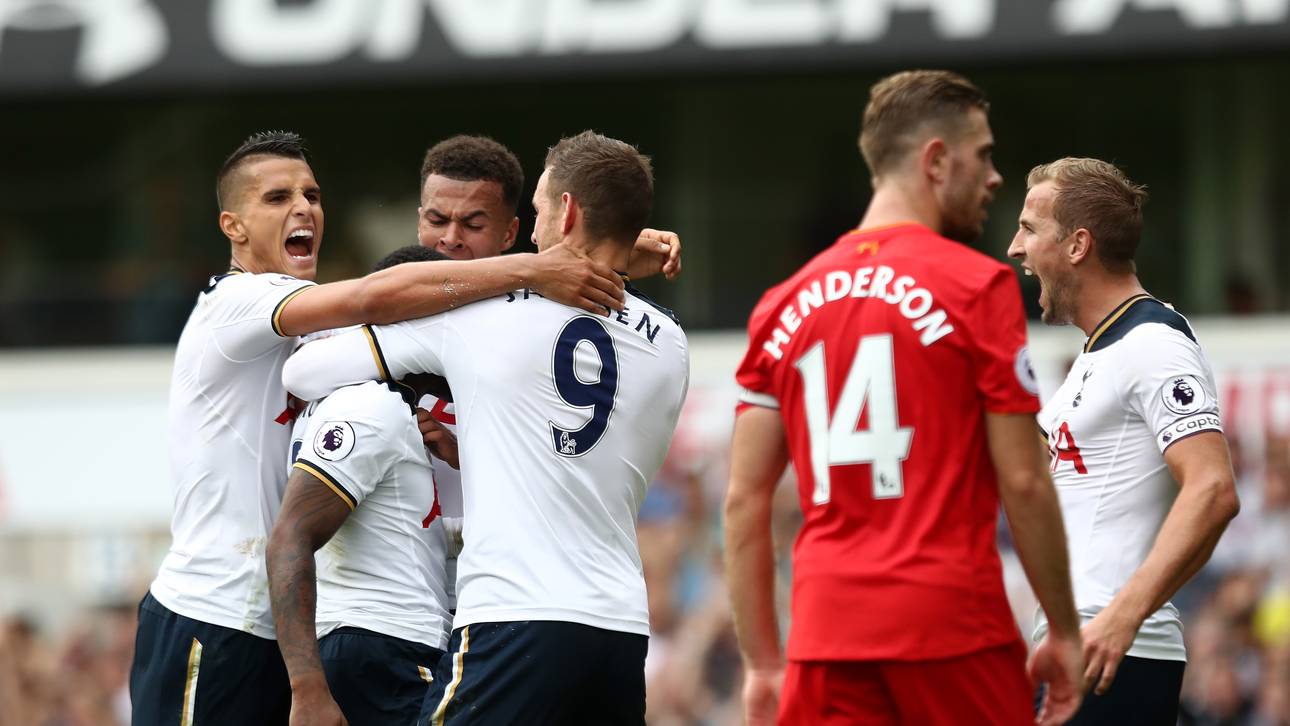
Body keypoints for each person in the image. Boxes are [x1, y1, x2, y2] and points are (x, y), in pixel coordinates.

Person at [128, 130, 634, 726]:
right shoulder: (241, 302)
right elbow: (380, 294)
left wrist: (620, 244)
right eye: (276, 197)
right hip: (213, 612)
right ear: (232, 226)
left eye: (312, 194)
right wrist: (534, 267)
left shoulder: (325, 327)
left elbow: (397, 310)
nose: (303, 208)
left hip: (286, 629)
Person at [282, 131, 689, 725]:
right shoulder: (672, 345)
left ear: (567, 212)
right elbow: (570, 453)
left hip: (514, 617)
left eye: (542, 208)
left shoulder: (480, 317)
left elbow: (306, 368)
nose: (533, 229)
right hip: (620, 627)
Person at [723, 69, 1085, 726]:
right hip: (952, 630)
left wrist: (763, 664)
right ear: (937, 161)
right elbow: (1025, 482)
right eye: (984, 154)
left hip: (824, 640)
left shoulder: (780, 307)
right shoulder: (978, 286)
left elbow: (744, 502)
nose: (995, 176)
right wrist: (1063, 631)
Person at [1008, 157, 1240, 724]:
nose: (1015, 248)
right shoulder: (1100, 353)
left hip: (1115, 654)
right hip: (1084, 646)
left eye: (1029, 229)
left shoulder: (1153, 342)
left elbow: (1213, 491)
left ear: (1077, 245)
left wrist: (1122, 617)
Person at [267, 245, 457, 726]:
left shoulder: (375, 403)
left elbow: (395, 531)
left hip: (378, 644)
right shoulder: (371, 407)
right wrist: (306, 688)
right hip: (382, 648)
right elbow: (290, 536)